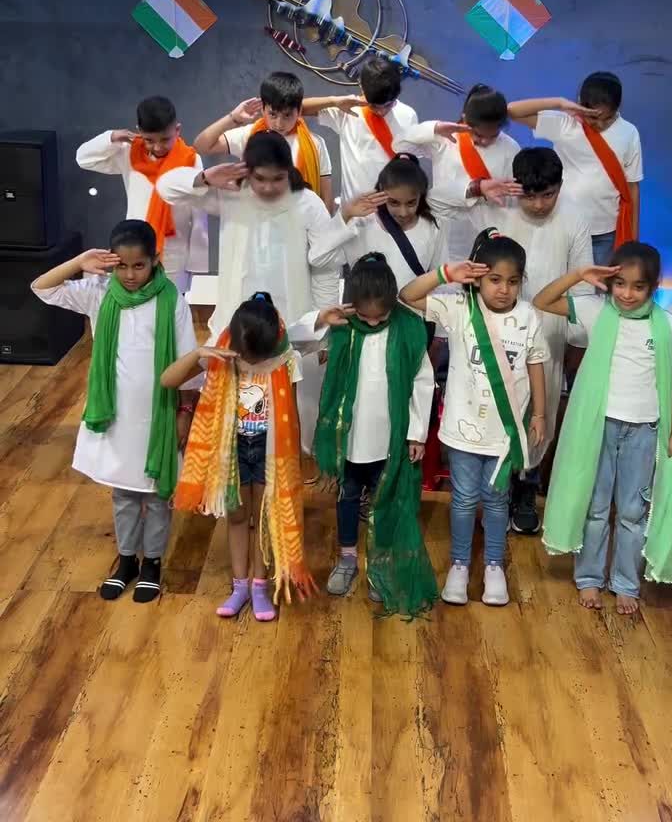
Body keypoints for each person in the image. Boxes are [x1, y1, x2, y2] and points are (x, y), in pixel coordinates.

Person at [31, 220, 199, 603]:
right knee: (124, 493)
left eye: (139, 265)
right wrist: (78, 262)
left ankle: (152, 563)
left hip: (157, 415)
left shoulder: (172, 301)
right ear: (110, 262)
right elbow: (42, 287)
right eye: (121, 266)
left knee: (156, 493)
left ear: (155, 260)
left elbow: (189, 363)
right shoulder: (99, 292)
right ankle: (126, 562)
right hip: (116, 417)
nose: (130, 274)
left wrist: (184, 413)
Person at [157, 131, 344, 453]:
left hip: (295, 329)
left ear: (289, 171)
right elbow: (166, 186)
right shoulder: (230, 194)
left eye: (277, 178)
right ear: (247, 171)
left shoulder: (308, 203)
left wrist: (324, 330)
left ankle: (290, 470)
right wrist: (206, 177)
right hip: (235, 330)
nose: (268, 187)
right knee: (233, 425)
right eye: (260, 179)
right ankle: (235, 470)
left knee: (293, 423)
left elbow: (326, 267)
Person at [534, 243, 672, 615]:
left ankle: (625, 584)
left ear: (654, 287)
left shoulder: (666, 324)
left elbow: (670, 383)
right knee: (596, 506)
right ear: (610, 281)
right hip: (599, 426)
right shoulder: (595, 310)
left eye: (638, 287)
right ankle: (589, 577)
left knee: (633, 511)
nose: (627, 294)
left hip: (645, 429)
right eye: (620, 284)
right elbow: (542, 300)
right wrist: (579, 274)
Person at [400, 230, 548, 608]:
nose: (503, 289)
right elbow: (407, 296)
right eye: (494, 279)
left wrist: (540, 414)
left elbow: (535, 364)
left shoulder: (527, 316)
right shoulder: (459, 308)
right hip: (462, 429)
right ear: (479, 278)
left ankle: (495, 565)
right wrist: (446, 273)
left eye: (512, 281)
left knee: (497, 500)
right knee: (464, 500)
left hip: (504, 434)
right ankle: (460, 565)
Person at [161, 293, 315, 623]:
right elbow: (167, 380)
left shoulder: (287, 360)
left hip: (270, 453)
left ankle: (260, 586)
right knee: (236, 517)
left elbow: (292, 416)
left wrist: (295, 462)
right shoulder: (222, 356)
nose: (253, 364)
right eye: (247, 358)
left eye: (259, 359)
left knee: (263, 519)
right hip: (232, 452)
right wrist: (198, 353)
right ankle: (239, 586)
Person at [308, 253, 436, 617]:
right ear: (353, 305)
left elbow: (422, 382)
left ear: (393, 304)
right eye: (365, 317)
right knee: (348, 496)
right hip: (349, 438)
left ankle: (381, 567)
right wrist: (321, 318)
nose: (374, 322)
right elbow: (296, 341)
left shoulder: (408, 328)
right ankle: (348, 557)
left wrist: (417, 434)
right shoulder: (343, 325)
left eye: (381, 316)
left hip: (390, 438)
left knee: (385, 500)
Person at [491, 147, 593, 534]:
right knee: (499, 406)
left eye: (547, 195)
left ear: (559, 187)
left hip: (549, 332)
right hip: (499, 329)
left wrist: (577, 341)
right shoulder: (499, 211)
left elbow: (581, 287)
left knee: (540, 410)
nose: (537, 205)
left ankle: (526, 489)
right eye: (529, 196)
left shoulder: (574, 219)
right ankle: (497, 492)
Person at [76, 95, 208, 294]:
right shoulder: (129, 154)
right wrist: (111, 136)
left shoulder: (191, 159)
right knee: (133, 305)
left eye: (165, 139)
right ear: (139, 131)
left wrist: (197, 261)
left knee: (171, 305)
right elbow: (83, 159)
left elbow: (199, 211)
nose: (158, 147)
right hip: (133, 251)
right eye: (149, 140)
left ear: (177, 130)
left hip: (174, 252)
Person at [508, 73, 643, 264]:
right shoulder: (565, 124)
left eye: (607, 118)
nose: (600, 124)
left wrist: (633, 239)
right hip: (564, 225)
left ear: (617, 109)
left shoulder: (629, 132)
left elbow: (632, 187)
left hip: (606, 231)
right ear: (580, 103)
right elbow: (512, 111)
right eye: (593, 117)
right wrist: (559, 103)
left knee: (599, 282)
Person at [393, 83, 523, 260]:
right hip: (447, 233)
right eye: (478, 135)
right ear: (465, 119)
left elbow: (513, 198)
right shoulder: (445, 139)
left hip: (491, 237)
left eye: (493, 136)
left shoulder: (511, 148)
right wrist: (435, 128)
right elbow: (399, 144)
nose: (485, 141)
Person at [316, 153, 448, 317]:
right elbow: (318, 258)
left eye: (411, 203)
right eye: (394, 202)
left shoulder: (433, 226)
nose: (403, 212)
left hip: (411, 324)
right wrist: (345, 215)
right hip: (365, 323)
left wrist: (437, 324)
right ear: (381, 193)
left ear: (420, 197)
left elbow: (440, 279)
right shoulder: (361, 224)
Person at [192, 70, 334, 213]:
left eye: (287, 115)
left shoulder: (315, 144)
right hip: (256, 219)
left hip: (301, 221)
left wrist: (323, 226)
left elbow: (326, 198)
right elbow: (201, 147)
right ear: (263, 109)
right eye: (273, 114)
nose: (279, 123)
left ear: (299, 111)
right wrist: (233, 118)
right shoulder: (249, 136)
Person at [302, 57, 419, 207]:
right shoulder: (348, 110)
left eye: (388, 105)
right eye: (374, 106)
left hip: (391, 211)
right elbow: (296, 109)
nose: (381, 111)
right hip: (352, 212)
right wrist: (333, 101)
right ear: (362, 87)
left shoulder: (409, 116)